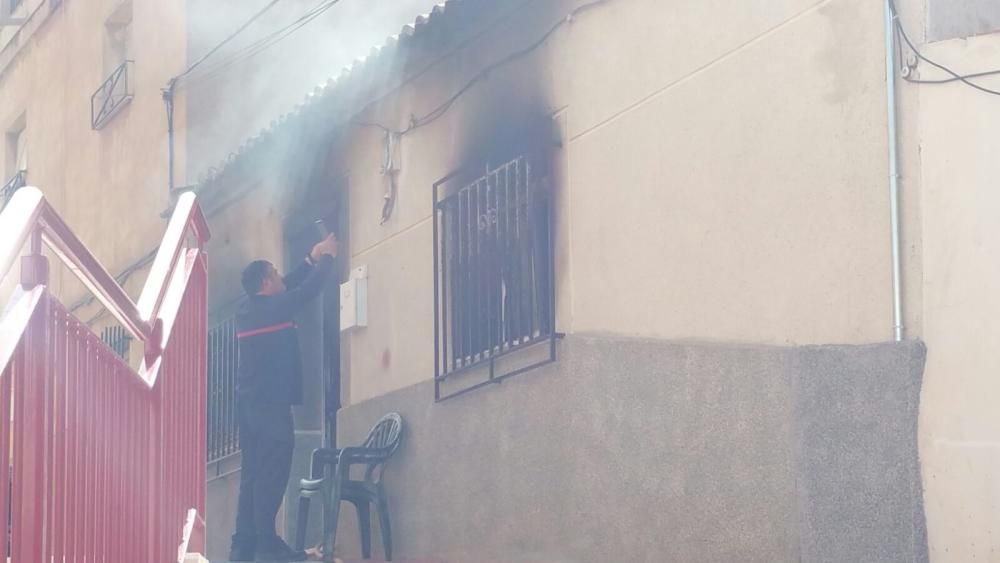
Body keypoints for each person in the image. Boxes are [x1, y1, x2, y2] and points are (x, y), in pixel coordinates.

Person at [229, 234, 338, 562]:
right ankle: (267, 546)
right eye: (275, 274)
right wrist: (328, 258)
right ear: (265, 282)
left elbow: (287, 287)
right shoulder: (273, 308)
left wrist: (310, 257)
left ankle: (243, 549)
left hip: (248, 409)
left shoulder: (248, 308)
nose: (280, 277)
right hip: (270, 409)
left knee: (251, 476)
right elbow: (305, 292)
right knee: (272, 474)